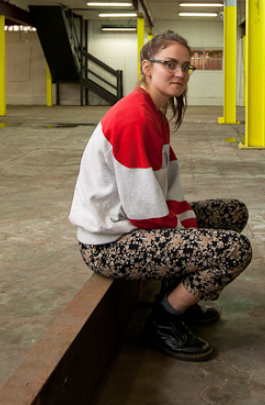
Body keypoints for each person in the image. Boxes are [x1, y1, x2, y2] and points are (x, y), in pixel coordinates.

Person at [68, 30, 252, 361]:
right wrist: (185, 231)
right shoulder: (135, 116)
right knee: (235, 250)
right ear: (147, 67)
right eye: (170, 64)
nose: (180, 73)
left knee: (232, 212)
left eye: (186, 66)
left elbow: (163, 190)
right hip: (110, 245)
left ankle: (180, 296)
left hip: (135, 224)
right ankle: (164, 321)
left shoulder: (154, 110)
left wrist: (185, 225)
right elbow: (144, 208)